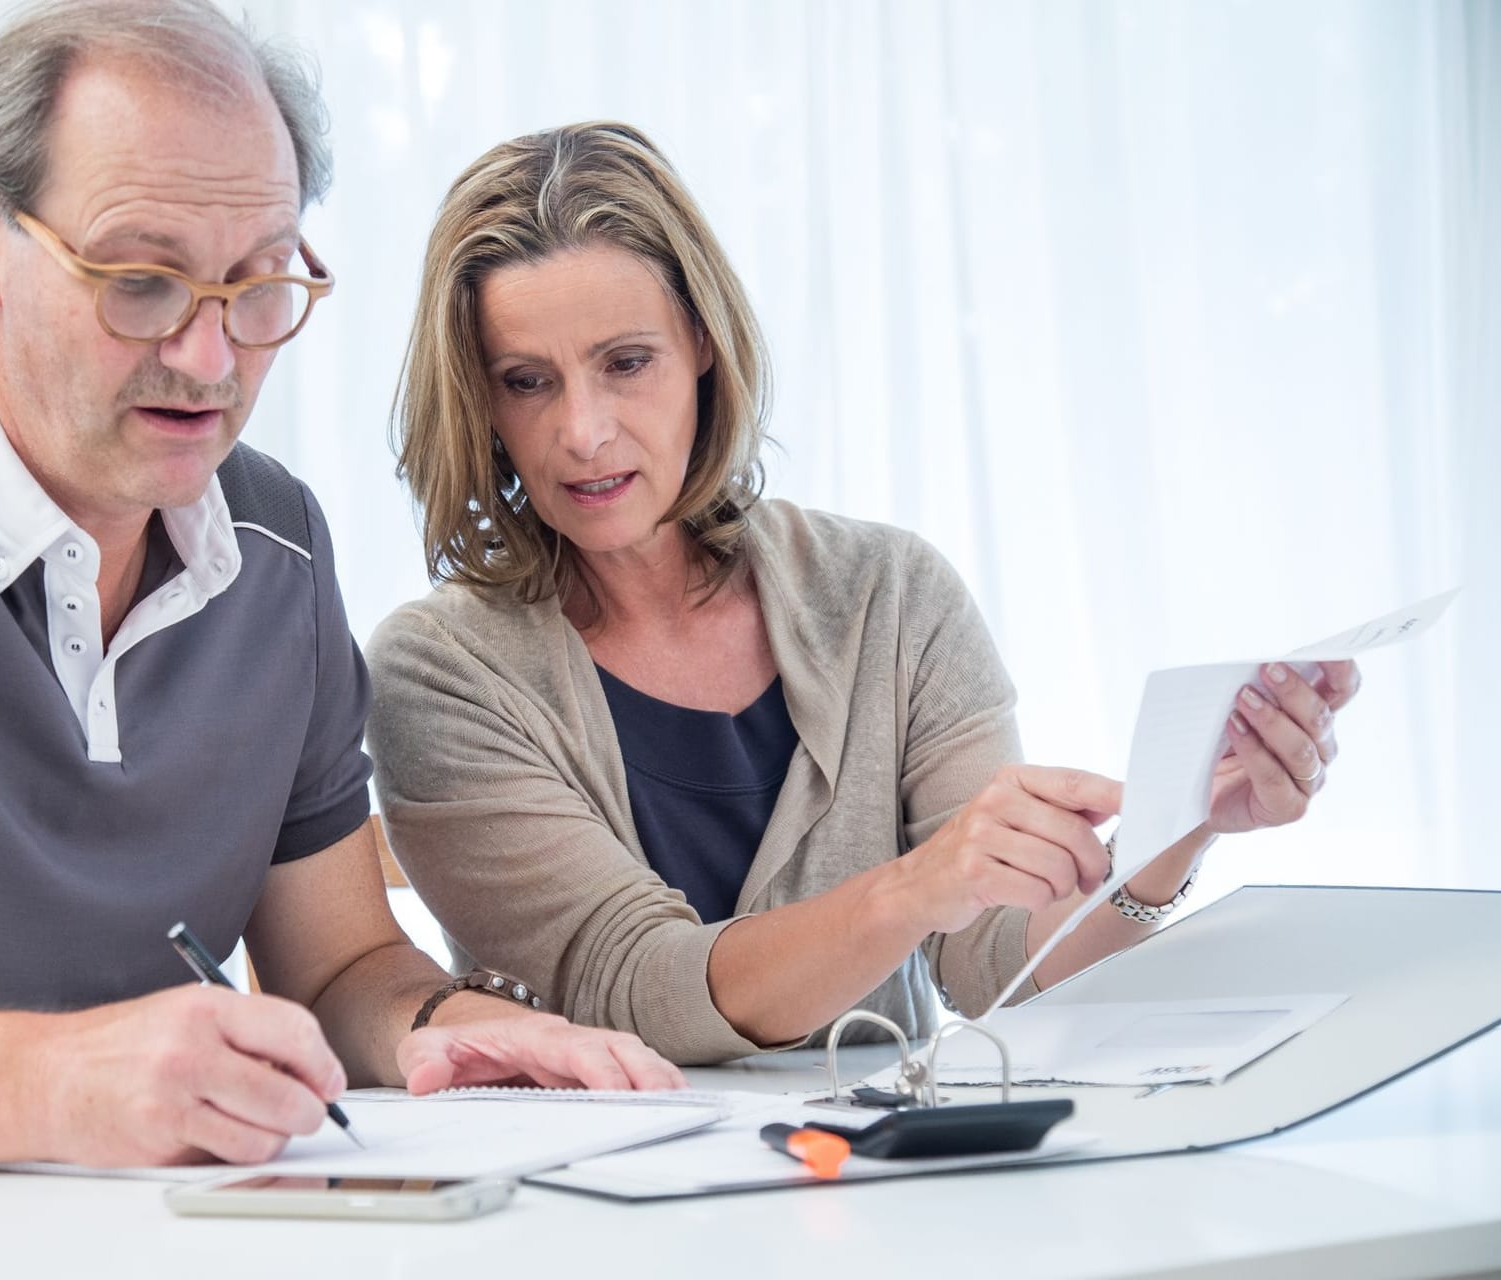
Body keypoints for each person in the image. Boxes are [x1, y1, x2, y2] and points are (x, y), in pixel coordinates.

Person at [0, 9, 683, 1179]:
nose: (213, 359)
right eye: (144, 280)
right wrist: (47, 1081)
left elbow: (341, 966)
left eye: (259, 283)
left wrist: (455, 1032)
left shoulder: (278, 543)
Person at [368, 121, 1361, 1065]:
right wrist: (913, 888)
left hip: (879, 1197)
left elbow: (994, 963)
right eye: (528, 380)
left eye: (626, 363)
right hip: (608, 1211)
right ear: (479, 399)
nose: (583, 430)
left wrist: (1181, 822)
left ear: (704, 345)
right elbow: (635, 989)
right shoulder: (441, 671)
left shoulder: (893, 595)